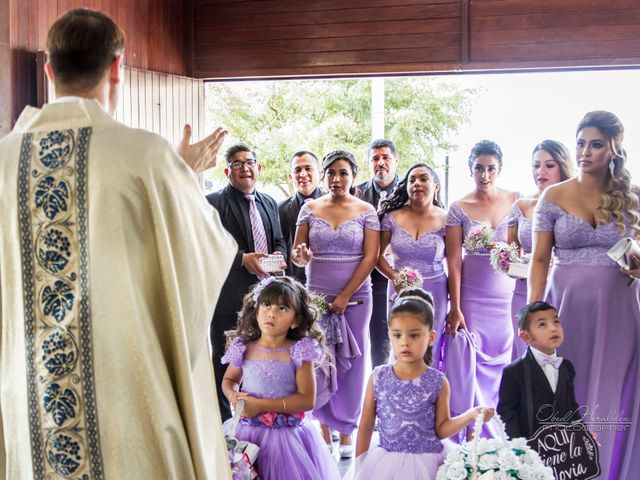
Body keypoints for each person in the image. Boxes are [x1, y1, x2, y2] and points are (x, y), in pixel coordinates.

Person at [0, 8, 237, 479]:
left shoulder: (5, 161)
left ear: (49, 70)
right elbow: (206, 252)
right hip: (125, 389)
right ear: (117, 68)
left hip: (32, 392)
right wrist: (184, 175)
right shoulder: (147, 156)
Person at [529, 110, 640, 479]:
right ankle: (563, 471)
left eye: (595, 144)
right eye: (580, 143)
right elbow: (540, 259)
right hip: (566, 308)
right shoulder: (553, 195)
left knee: (610, 391)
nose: (585, 152)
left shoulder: (633, 197)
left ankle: (606, 470)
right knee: (565, 390)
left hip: (619, 309)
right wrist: (534, 312)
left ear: (614, 149)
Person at [292, 150, 380, 457]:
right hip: (316, 293)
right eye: (331, 173)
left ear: (354, 177)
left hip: (355, 297)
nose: (337, 179)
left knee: (352, 363)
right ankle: (323, 430)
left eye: (343, 173)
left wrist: (344, 296)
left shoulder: (367, 210)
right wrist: (300, 257)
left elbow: (371, 257)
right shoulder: (309, 208)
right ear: (324, 176)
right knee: (319, 361)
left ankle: (346, 432)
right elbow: (298, 251)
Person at [354, 288, 494, 479]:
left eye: (414, 335)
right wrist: (359, 466)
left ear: (431, 337)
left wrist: (470, 415)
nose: (405, 342)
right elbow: (366, 424)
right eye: (397, 335)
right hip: (385, 464)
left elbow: (442, 429)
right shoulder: (378, 377)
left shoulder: (437, 382)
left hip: (428, 463)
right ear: (390, 335)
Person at [221, 277, 341, 480]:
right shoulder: (244, 347)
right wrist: (233, 394)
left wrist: (259, 404)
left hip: (286, 439)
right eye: (266, 304)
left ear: (296, 320)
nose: (271, 313)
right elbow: (229, 380)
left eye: (282, 308)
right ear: (257, 310)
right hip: (247, 432)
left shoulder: (299, 352)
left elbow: (306, 400)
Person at [443, 139, 520, 439]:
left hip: (507, 294)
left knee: (505, 359)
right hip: (472, 295)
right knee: (471, 361)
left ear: (499, 169)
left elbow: (521, 248)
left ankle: (502, 429)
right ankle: (474, 430)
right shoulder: (458, 208)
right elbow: (454, 261)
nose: (484, 175)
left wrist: (502, 248)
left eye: (490, 168)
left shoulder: (516, 200)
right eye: (479, 168)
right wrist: (456, 306)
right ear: (470, 169)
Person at [207, 144, 287, 422]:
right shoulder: (213, 203)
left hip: (266, 303)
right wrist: (242, 259)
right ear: (228, 171)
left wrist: (281, 256)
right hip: (229, 302)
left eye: (249, 162)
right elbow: (206, 246)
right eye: (237, 164)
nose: (244, 167)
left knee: (260, 364)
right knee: (227, 365)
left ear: (259, 168)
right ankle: (224, 426)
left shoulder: (268, 202)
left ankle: (256, 420)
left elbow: (278, 240)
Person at [507, 141, 574, 359]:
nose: (541, 171)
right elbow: (510, 254)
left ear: (562, 166)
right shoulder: (520, 206)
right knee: (525, 357)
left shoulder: (574, 205)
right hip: (523, 290)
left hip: (561, 290)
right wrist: (509, 263)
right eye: (536, 165)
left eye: (549, 165)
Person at [377, 163, 448, 367]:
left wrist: (456, 304)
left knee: (430, 346)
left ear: (436, 186)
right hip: (400, 289)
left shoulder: (446, 219)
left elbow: (453, 262)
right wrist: (394, 276)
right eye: (412, 180)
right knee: (402, 344)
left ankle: (429, 393)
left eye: (423, 179)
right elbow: (377, 256)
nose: (417, 183)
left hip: (436, 290)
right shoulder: (392, 217)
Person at [497, 301, 580, 439]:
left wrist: (582, 434)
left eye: (556, 322)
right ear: (526, 336)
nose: (553, 328)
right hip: (531, 450)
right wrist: (519, 450)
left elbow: (571, 406)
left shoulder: (566, 366)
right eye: (542, 324)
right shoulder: (514, 372)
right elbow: (507, 415)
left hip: (563, 449)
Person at [357, 139, 401, 369]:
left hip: (399, 274)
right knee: (377, 341)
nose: (380, 163)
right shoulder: (356, 193)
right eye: (375, 159)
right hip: (365, 277)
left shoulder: (410, 189)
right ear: (369, 163)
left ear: (396, 161)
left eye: (385, 158)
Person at [278, 151, 323, 284]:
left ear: (320, 173)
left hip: (327, 281)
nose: (303, 174)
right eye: (297, 170)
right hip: (293, 284)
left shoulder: (335, 205)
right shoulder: (280, 209)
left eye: (308, 168)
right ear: (290, 177)